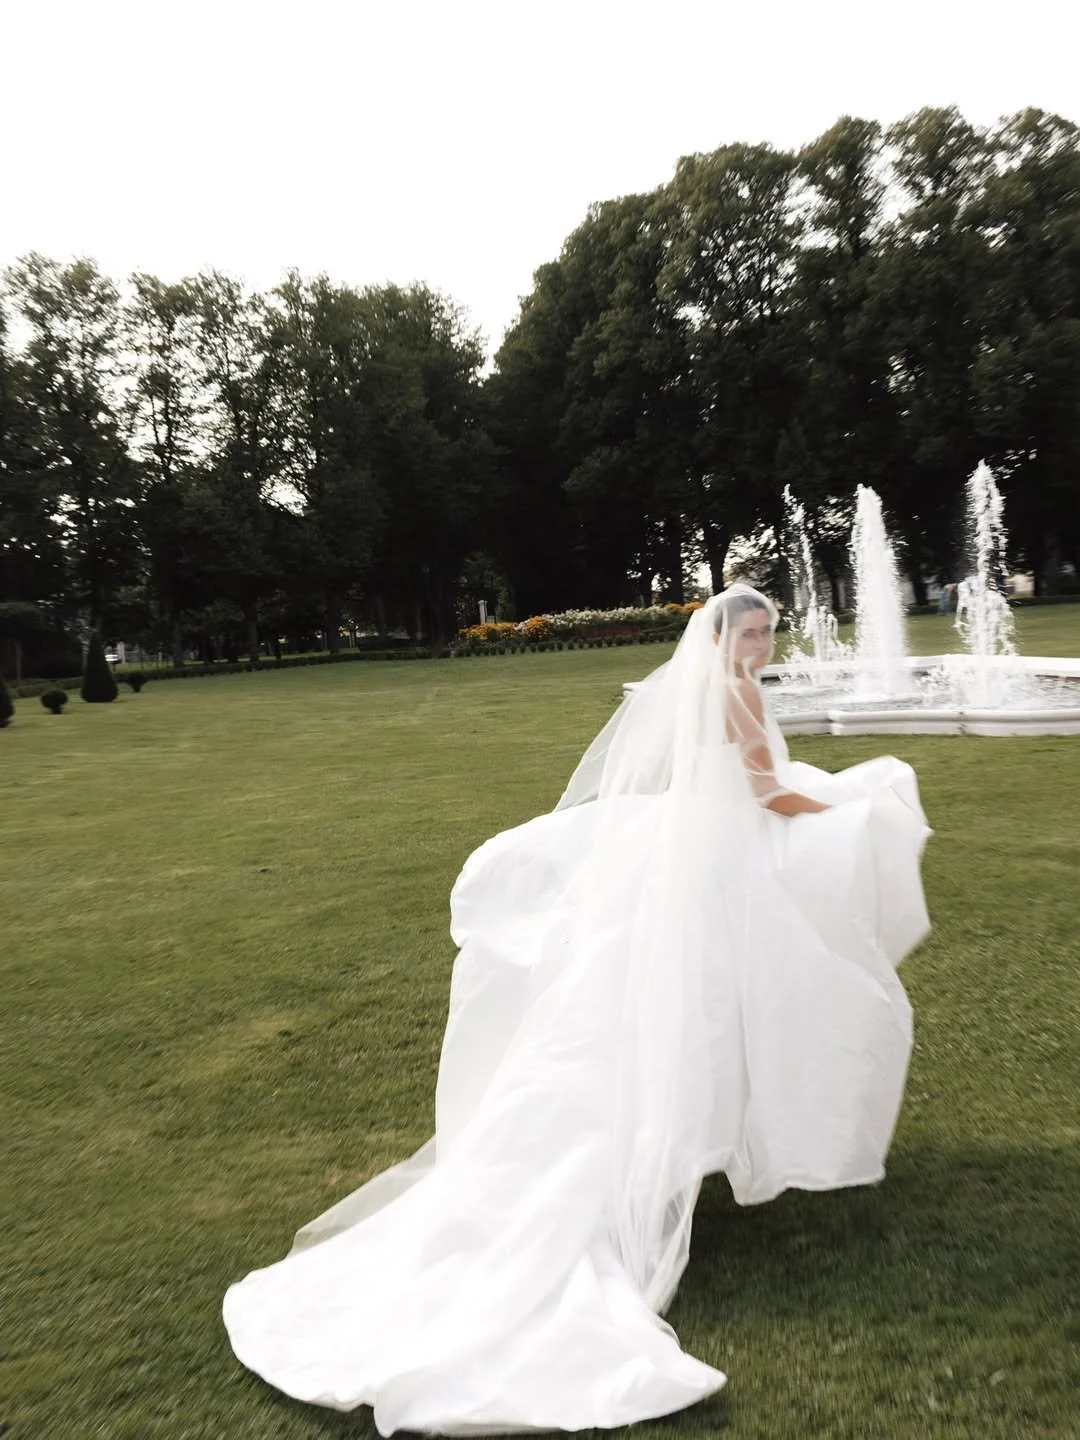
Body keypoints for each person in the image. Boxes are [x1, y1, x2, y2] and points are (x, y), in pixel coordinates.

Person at [223, 583, 931, 1436]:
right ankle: (660, 1153)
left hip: (688, 857)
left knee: (650, 1015)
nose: (765, 645)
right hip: (721, 868)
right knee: (711, 1009)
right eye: (754, 633)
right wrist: (856, 803)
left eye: (769, 632)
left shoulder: (698, 688)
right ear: (725, 639)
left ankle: (672, 1138)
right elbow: (771, 798)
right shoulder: (736, 691)